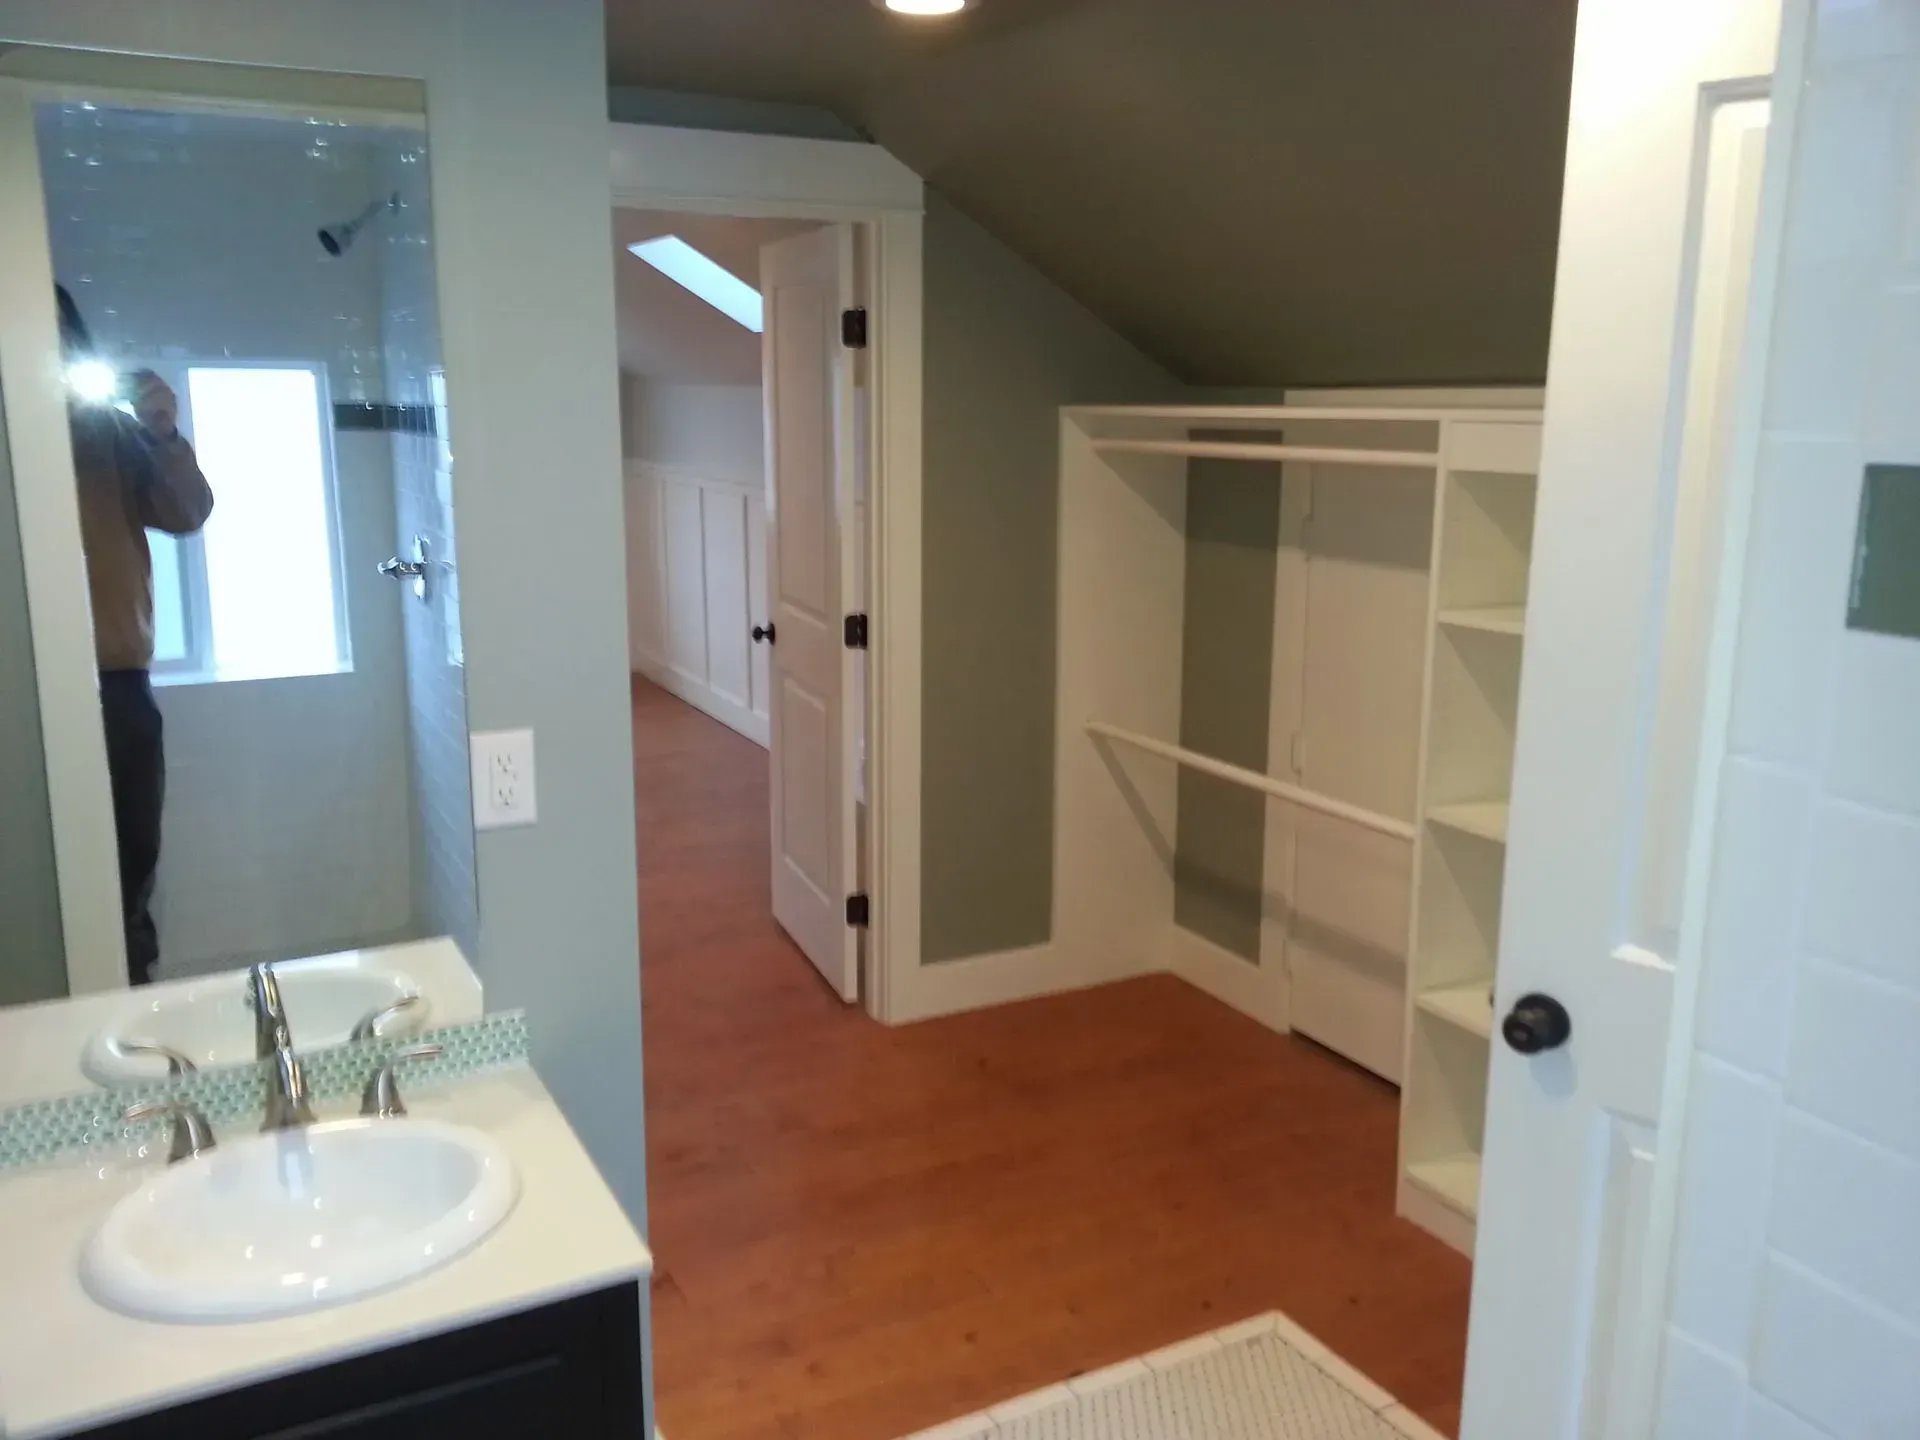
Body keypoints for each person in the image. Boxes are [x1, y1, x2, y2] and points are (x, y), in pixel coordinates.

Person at [59, 285, 214, 986]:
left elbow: (188, 511)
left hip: (117, 684)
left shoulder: (109, 434)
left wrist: (161, 430)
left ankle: (129, 997)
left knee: (130, 862)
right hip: (34, 694)